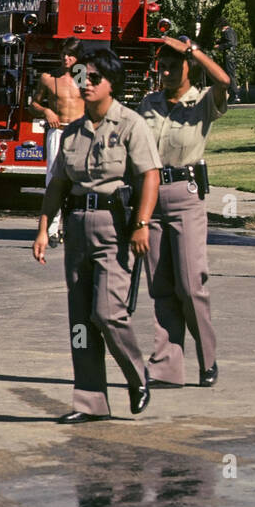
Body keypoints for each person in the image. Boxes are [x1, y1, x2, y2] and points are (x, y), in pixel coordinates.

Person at [33, 48, 161, 423]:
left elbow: (149, 175)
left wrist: (141, 224)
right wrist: (43, 229)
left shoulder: (130, 124)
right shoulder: (73, 132)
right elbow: (56, 184)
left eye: (93, 78)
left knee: (107, 313)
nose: (85, 84)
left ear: (112, 84)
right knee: (80, 321)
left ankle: (137, 377)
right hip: (76, 227)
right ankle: (90, 402)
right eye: (81, 78)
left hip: (114, 227)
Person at [137, 36, 229, 389]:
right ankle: (166, 366)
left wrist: (193, 50)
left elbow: (224, 81)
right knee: (161, 286)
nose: (168, 71)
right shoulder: (149, 103)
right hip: (151, 196)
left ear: (189, 68)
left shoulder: (202, 103)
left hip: (186, 197)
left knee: (191, 286)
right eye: (163, 65)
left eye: (175, 65)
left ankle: (208, 359)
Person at [30, 39, 85, 244]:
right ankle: (52, 231)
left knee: (79, 180)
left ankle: (75, 227)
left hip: (80, 133)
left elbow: (98, 102)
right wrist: (46, 111)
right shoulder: (48, 78)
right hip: (58, 131)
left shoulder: (85, 77)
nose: (66, 58)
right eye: (63, 54)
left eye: (70, 55)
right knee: (54, 180)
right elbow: (33, 104)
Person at [216, 21, 239, 103]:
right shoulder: (231, 31)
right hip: (232, 55)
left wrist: (220, 46)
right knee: (230, 74)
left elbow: (230, 43)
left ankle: (235, 94)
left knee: (230, 74)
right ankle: (233, 94)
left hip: (229, 56)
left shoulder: (227, 32)